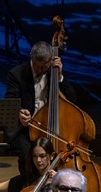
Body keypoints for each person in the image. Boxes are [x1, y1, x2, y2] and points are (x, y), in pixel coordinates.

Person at [5, 42, 77, 171]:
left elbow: (72, 100)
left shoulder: (54, 72)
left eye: (43, 67)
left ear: (51, 61)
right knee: (28, 156)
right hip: (25, 128)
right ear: (31, 58)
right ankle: (28, 186)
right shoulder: (16, 74)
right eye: (36, 66)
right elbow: (11, 101)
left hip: (50, 126)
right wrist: (20, 112)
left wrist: (60, 76)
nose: (39, 70)